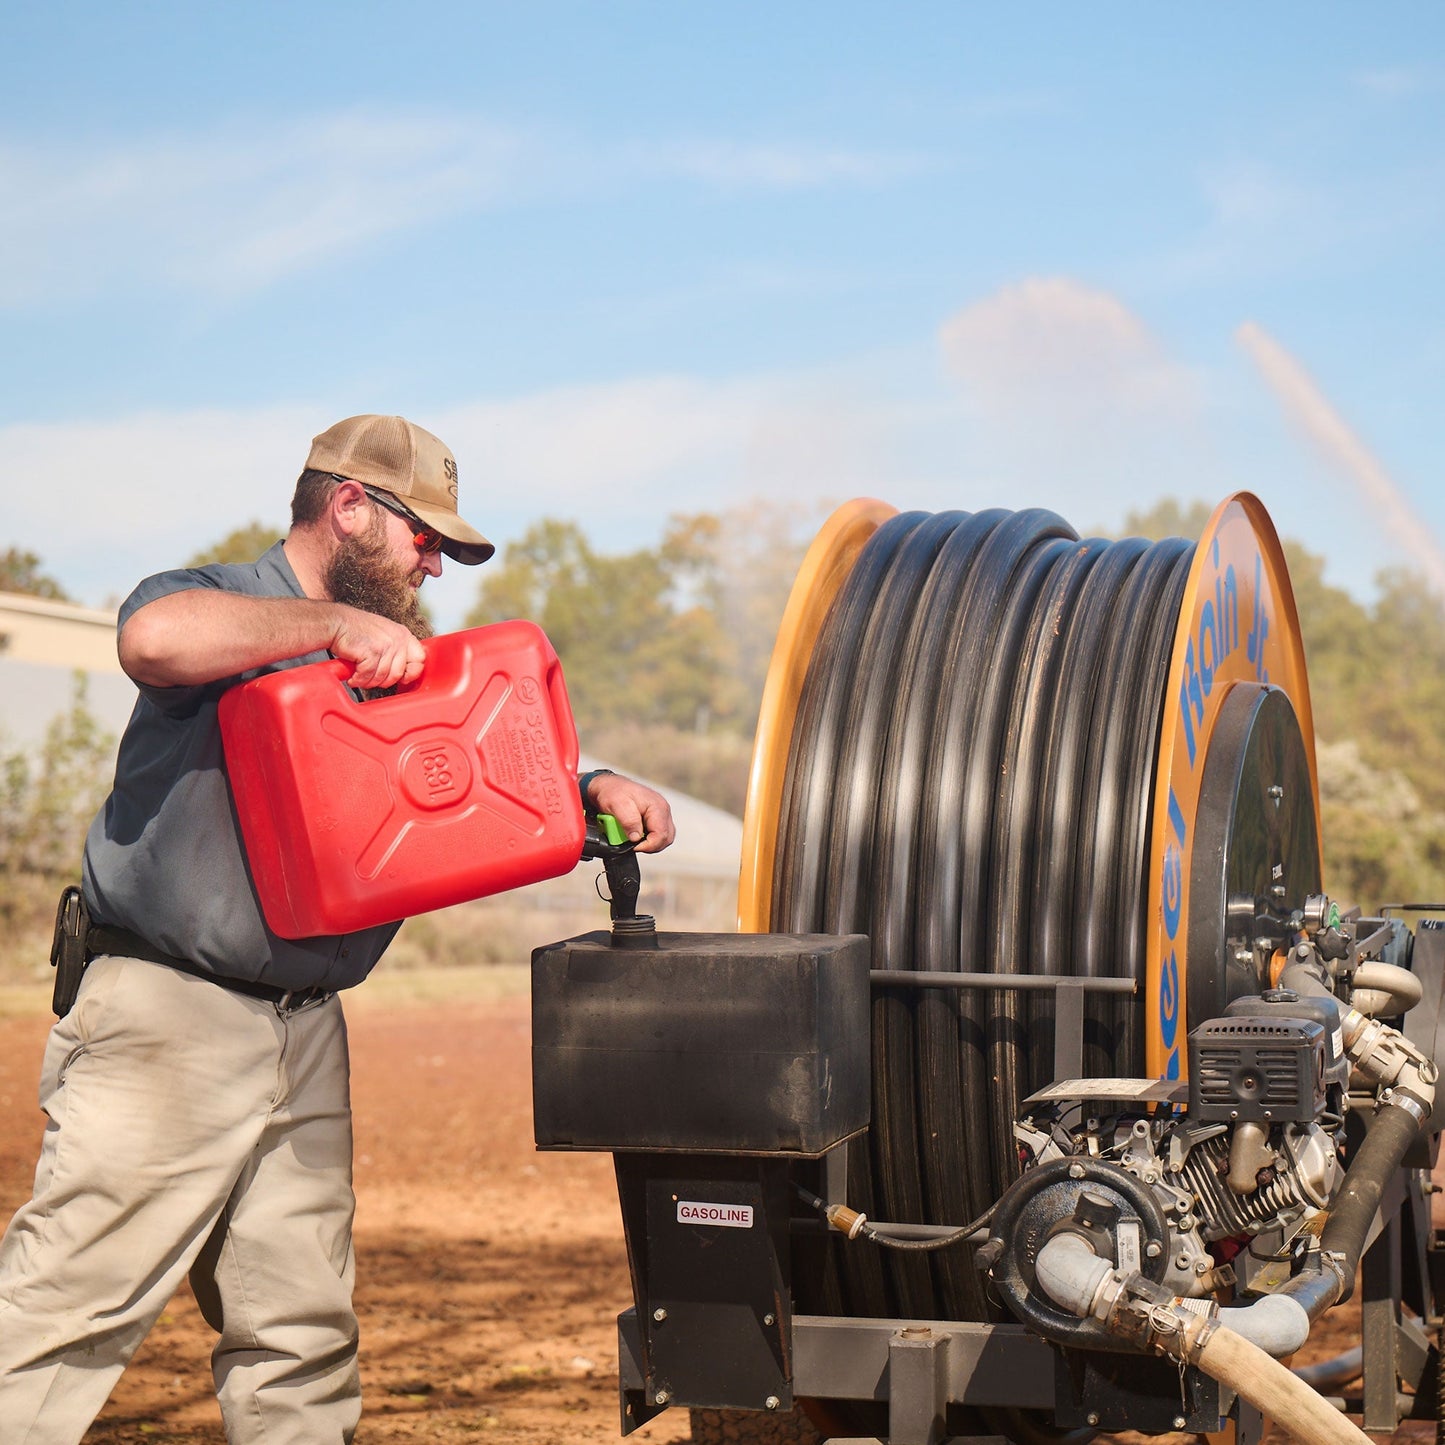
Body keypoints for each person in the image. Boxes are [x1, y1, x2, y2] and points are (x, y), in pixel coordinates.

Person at [0, 414, 675, 1443]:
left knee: (299, 1332)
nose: (435, 564)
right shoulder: (224, 601)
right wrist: (324, 629)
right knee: (67, 1306)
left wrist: (594, 789)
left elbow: (468, 773)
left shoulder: (393, 659)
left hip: (306, 1026)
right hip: (170, 1018)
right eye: (426, 537)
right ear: (350, 506)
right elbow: (151, 641)